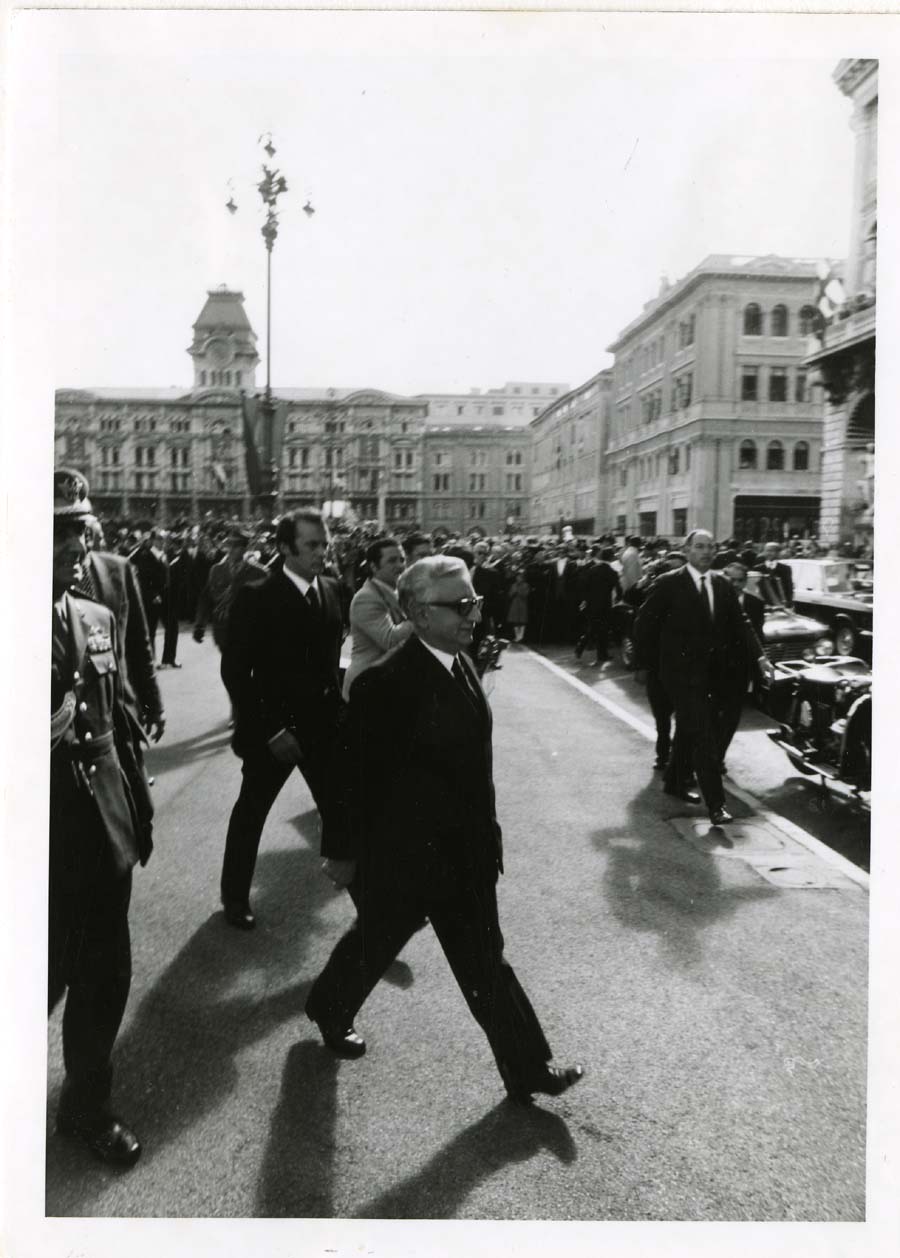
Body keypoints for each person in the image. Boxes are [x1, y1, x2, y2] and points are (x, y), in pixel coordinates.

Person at [305, 556, 584, 1103]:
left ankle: (528, 1069)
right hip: (404, 859)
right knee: (375, 943)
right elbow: (350, 780)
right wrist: (342, 853)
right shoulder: (385, 683)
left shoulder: (461, 661)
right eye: (458, 606)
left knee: (485, 963)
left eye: (474, 601)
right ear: (415, 613)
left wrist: (489, 835)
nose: (473, 615)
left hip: (464, 855)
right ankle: (329, 1008)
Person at [50, 470, 154, 1167]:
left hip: (101, 830)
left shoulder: (95, 617)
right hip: (35, 835)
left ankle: (87, 1109)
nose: (74, 544)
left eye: (77, 528)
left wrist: (135, 813)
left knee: (102, 976)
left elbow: (115, 722)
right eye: (56, 531)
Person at [219, 509, 346, 929]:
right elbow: (236, 672)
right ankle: (235, 899)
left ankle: (374, 915)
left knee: (343, 813)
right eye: (312, 545)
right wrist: (271, 729)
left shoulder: (331, 589)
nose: (321, 552)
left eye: (325, 544)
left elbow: (329, 666)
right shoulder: (257, 595)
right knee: (250, 814)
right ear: (285, 548)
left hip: (322, 730)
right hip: (273, 734)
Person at [634, 529, 772, 825]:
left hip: (712, 676)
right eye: (699, 547)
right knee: (704, 733)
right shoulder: (669, 583)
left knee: (688, 729)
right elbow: (644, 625)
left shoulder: (721, 584)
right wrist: (647, 667)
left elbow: (741, 623)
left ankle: (673, 781)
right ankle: (716, 805)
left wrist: (759, 657)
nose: (706, 552)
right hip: (678, 675)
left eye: (711, 547)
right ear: (686, 550)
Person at [82, 512, 166, 746]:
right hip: (68, 723)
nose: (86, 542)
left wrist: (153, 704)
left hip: (119, 710)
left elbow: (139, 645)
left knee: (133, 778)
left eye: (91, 535)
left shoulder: (119, 569)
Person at [342, 536, 414, 699]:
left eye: (402, 560)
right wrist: (419, 616)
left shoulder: (397, 591)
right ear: (374, 567)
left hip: (387, 683)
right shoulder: (366, 597)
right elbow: (389, 639)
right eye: (392, 561)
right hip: (366, 687)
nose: (400, 566)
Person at [192, 527, 267, 654]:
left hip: (249, 633)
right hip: (223, 632)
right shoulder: (216, 570)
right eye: (229, 545)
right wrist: (200, 625)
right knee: (229, 672)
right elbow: (206, 598)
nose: (231, 549)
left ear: (245, 548)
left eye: (236, 546)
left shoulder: (259, 573)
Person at [575, 545, 621, 664]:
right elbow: (618, 588)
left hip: (592, 603)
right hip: (605, 603)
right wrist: (618, 600)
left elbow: (584, 585)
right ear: (611, 558)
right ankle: (601, 655)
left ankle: (581, 646)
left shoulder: (593, 569)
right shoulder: (612, 572)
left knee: (593, 626)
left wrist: (585, 599)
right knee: (603, 629)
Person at [754, 542, 794, 607]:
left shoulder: (785, 569)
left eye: (772, 551)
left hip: (780, 604)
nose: (769, 553)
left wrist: (789, 603)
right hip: (762, 604)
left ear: (778, 553)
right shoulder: (757, 568)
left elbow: (789, 587)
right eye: (767, 551)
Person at [505, 569, 530, 643]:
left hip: (522, 603)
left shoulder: (526, 585)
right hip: (515, 603)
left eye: (520, 577)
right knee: (515, 620)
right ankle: (517, 636)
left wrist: (519, 591)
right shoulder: (513, 585)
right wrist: (513, 592)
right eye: (518, 577)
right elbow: (509, 594)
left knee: (522, 620)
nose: (518, 578)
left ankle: (521, 636)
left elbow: (526, 594)